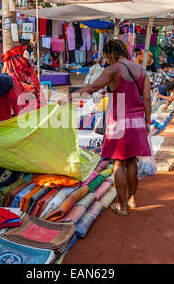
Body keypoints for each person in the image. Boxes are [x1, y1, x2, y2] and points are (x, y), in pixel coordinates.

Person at [59, 39, 152, 216]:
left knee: (118, 163)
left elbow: (93, 86)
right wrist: (147, 121)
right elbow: (147, 99)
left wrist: (69, 97)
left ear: (111, 54)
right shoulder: (141, 71)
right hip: (138, 121)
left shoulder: (113, 70)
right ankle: (132, 199)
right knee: (132, 161)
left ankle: (122, 206)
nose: (106, 60)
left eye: (106, 56)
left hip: (118, 121)